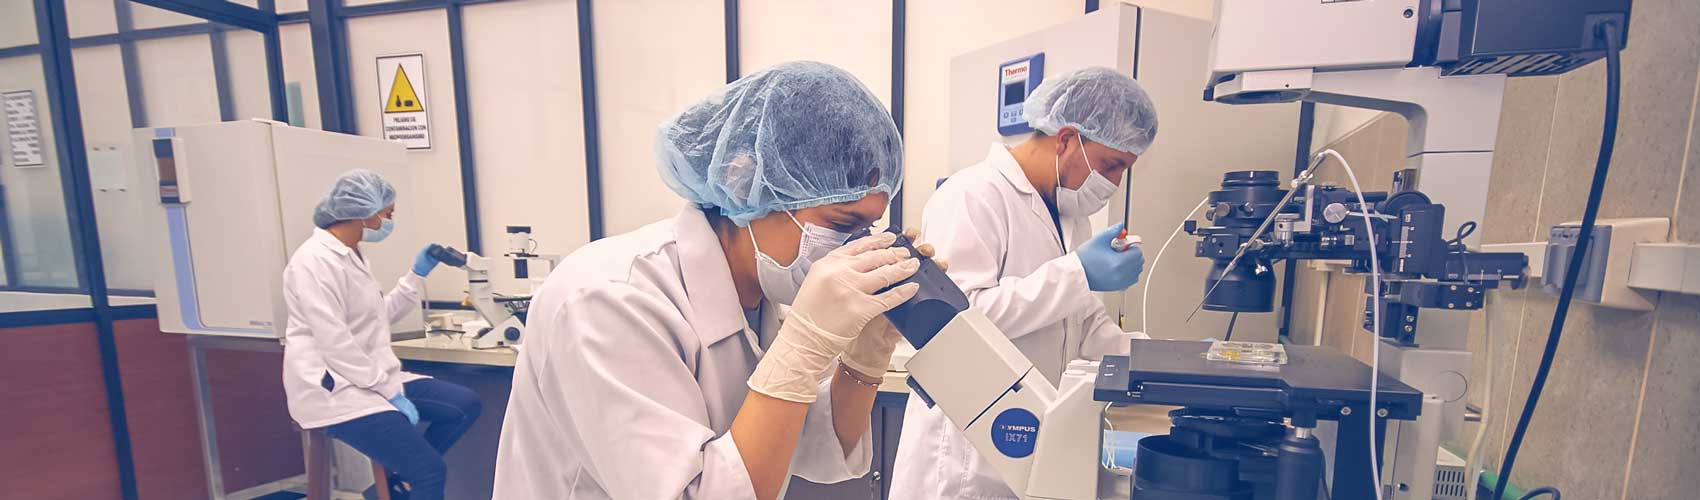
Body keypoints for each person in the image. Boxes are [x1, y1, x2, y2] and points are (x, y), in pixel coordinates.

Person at [493, 61, 927, 500]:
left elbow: (807, 449)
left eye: (866, 229)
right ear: (744, 184)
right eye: (840, 224)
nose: (855, 247)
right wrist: (804, 348)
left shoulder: (758, 297)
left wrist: (866, 354)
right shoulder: (609, 299)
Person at [888, 66, 1159, 499]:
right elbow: (961, 323)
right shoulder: (972, 195)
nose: (1114, 183)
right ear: (1067, 138)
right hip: (963, 463)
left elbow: (1083, 323)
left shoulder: (1072, 215)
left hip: (1026, 439)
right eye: (1111, 165)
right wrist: (1077, 274)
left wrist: (1158, 359)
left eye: (1125, 169)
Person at [281, 170, 483, 500]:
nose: (390, 221)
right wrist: (389, 391)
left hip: (369, 378)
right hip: (335, 390)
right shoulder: (313, 263)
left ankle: (389, 485)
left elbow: (378, 317)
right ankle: (405, 479)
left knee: (464, 404)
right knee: (430, 472)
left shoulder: (353, 254)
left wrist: (416, 276)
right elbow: (335, 344)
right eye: (388, 214)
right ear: (364, 213)